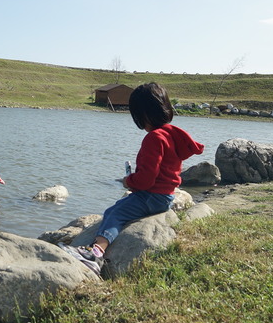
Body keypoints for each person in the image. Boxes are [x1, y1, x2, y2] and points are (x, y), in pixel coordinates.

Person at [74, 82, 204, 274]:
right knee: (121, 207)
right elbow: (162, 171)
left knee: (115, 212)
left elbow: (147, 179)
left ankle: (95, 253)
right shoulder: (172, 135)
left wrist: (129, 181)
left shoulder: (154, 138)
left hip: (152, 196)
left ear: (142, 114)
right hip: (166, 196)